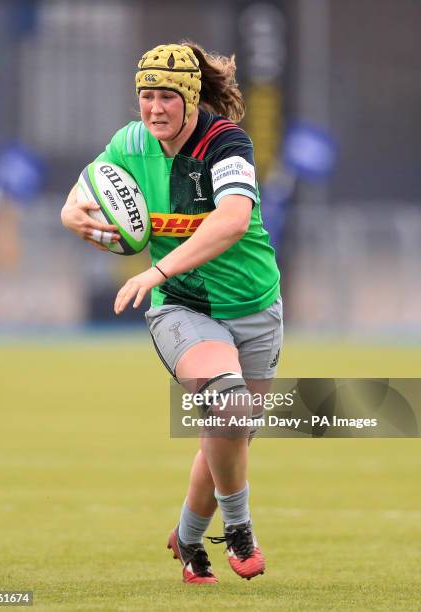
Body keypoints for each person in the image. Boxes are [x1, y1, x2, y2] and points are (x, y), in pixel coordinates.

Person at [61, 42, 283, 584]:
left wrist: (153, 268)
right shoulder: (130, 143)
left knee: (228, 436)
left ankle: (186, 538)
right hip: (182, 308)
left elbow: (231, 221)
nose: (154, 108)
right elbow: (78, 198)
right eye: (145, 96)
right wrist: (73, 217)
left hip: (256, 308)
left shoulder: (227, 144)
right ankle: (239, 528)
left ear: (189, 97)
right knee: (227, 409)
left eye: (165, 96)